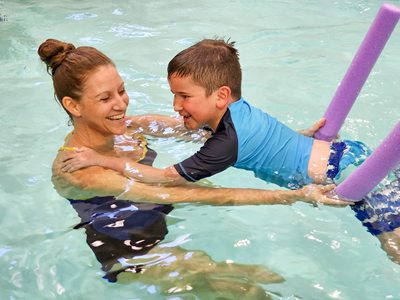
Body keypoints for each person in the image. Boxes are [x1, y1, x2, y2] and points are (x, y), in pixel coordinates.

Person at [38, 38, 349, 296]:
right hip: (133, 251)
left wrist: (291, 141)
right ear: (73, 106)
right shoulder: (78, 167)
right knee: (251, 288)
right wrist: (297, 195)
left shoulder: (132, 127)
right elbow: (203, 195)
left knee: (258, 278)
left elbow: (215, 128)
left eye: (121, 90)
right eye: (105, 98)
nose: (121, 104)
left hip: (158, 211)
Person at [60, 38, 372, 192]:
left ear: (220, 95)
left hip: (341, 176)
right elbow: (265, 141)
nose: (175, 105)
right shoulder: (238, 111)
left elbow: (164, 178)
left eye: (184, 96)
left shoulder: (226, 142)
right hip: (347, 153)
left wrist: (99, 159)